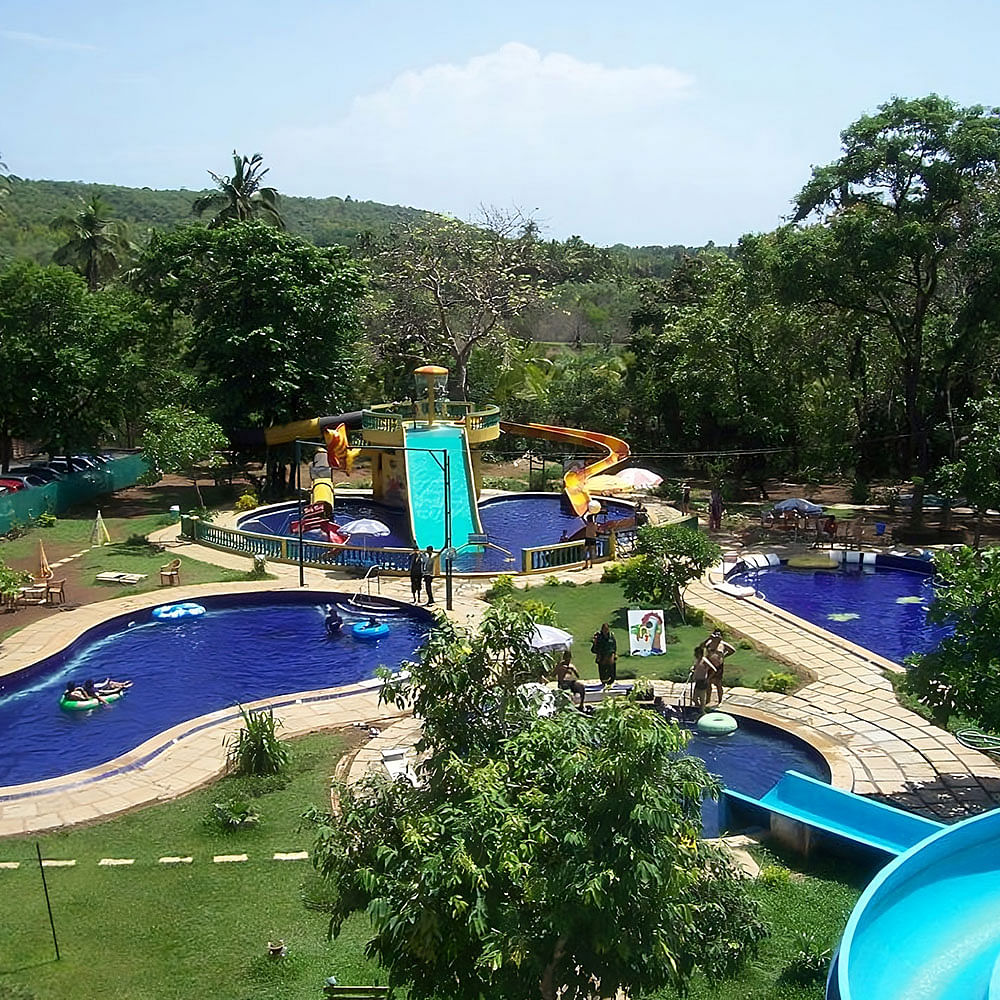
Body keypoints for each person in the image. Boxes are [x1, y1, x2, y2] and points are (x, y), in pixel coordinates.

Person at [703, 629, 736, 705]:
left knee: (718, 684)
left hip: (718, 666)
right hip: (710, 666)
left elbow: (732, 650)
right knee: (708, 683)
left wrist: (724, 656)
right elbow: (703, 646)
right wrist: (709, 638)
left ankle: (720, 700)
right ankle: (708, 700)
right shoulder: (709, 643)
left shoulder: (723, 644)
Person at [690, 645, 717, 713]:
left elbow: (714, 669)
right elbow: (695, 666)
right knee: (694, 698)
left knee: (702, 698)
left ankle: (702, 711)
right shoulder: (697, 660)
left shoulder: (704, 661)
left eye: (696, 653)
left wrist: (709, 678)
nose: (695, 655)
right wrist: (693, 668)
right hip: (697, 681)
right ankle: (700, 709)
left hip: (703, 681)